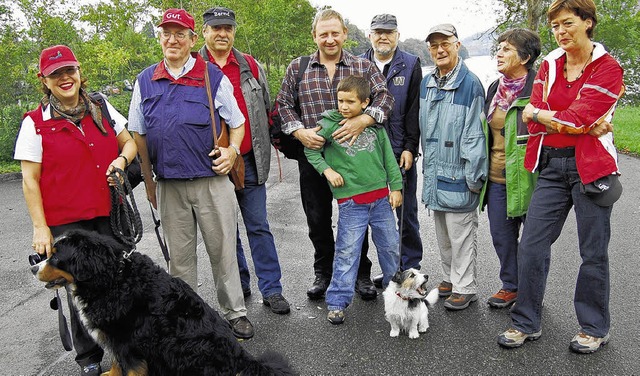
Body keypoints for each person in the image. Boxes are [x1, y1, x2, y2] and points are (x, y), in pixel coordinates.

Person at [497, 0, 624, 353]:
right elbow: (530, 116)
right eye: (554, 26)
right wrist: (562, 119)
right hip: (551, 165)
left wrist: (547, 115)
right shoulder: (551, 62)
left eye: (567, 23)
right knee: (532, 245)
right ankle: (526, 321)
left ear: (587, 23)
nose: (560, 32)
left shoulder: (608, 68)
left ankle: (593, 327)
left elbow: (578, 116)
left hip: (592, 167)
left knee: (593, 251)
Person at [128, 8, 254, 339]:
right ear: (159, 38)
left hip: (211, 181)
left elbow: (238, 122)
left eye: (179, 33)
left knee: (223, 250)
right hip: (169, 184)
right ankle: (185, 318)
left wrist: (231, 151)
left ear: (191, 39)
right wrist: (148, 179)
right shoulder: (144, 81)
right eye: (166, 33)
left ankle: (234, 313)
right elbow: (138, 134)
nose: (172, 39)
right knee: (180, 260)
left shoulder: (213, 76)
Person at [14, 45, 137, 376]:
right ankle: (89, 356)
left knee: (119, 285)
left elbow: (130, 143)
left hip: (109, 213)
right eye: (56, 74)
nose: (65, 78)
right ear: (45, 81)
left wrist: (121, 160)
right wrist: (40, 228)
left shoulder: (101, 107)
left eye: (69, 70)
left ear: (79, 72)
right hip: (67, 221)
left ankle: (126, 352)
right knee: (78, 289)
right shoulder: (34, 123)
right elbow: (29, 180)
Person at [276, 9, 394, 301]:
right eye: (323, 34)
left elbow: (385, 97)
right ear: (314, 36)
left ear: (344, 34)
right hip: (314, 156)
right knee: (317, 218)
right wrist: (299, 131)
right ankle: (324, 273)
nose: (329, 39)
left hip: (355, 158)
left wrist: (365, 119)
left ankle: (361, 274)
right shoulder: (298, 68)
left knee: (357, 217)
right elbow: (283, 105)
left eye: (335, 33)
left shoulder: (362, 66)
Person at [198, 6, 290, 315]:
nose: (222, 33)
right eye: (216, 28)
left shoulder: (250, 65)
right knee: (226, 230)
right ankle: (239, 284)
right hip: (212, 164)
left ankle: (272, 289)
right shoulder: (193, 66)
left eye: (227, 28)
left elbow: (266, 106)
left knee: (259, 226)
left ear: (234, 31)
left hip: (249, 158)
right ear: (204, 32)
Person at [305, 75, 402, 325]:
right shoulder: (328, 124)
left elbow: (389, 160)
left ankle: (399, 295)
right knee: (347, 252)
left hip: (381, 200)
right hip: (351, 203)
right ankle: (337, 301)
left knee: (390, 247)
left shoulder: (375, 126)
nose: (344, 106)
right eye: (340, 101)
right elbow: (310, 149)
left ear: (365, 102)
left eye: (350, 101)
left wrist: (396, 188)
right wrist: (328, 171)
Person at [419, 23, 487, 311]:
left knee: (461, 234)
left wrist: (474, 178)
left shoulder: (470, 84)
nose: (440, 50)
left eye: (445, 43)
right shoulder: (427, 82)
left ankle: (465, 286)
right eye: (434, 46)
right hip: (435, 174)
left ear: (457, 45)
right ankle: (448, 278)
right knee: (443, 234)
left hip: (460, 173)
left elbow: (475, 135)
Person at [360, 14, 424, 287]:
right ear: (369, 35)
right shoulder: (358, 63)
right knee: (363, 213)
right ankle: (375, 271)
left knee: (405, 213)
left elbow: (414, 111)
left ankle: (410, 270)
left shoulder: (411, 64)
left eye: (389, 32)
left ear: (397, 34)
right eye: (378, 32)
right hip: (365, 153)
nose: (383, 36)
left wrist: (411, 147)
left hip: (400, 150)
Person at [479, 29, 541, 308]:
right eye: (499, 48)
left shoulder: (540, 87)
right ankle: (511, 286)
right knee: (502, 238)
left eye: (507, 49)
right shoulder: (495, 88)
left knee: (533, 244)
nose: (499, 54)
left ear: (525, 57)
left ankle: (531, 294)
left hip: (530, 178)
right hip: (496, 177)